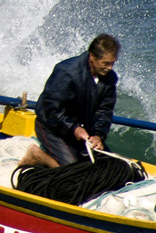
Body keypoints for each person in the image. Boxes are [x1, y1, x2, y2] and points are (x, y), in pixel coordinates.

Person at [34, 34, 120, 166]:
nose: (110, 68)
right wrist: (73, 128)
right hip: (51, 126)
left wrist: (98, 135)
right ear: (92, 57)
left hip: (80, 128)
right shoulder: (67, 72)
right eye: (106, 63)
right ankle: (38, 156)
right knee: (73, 168)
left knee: (110, 165)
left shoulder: (109, 78)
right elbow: (52, 108)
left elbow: (104, 110)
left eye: (113, 63)